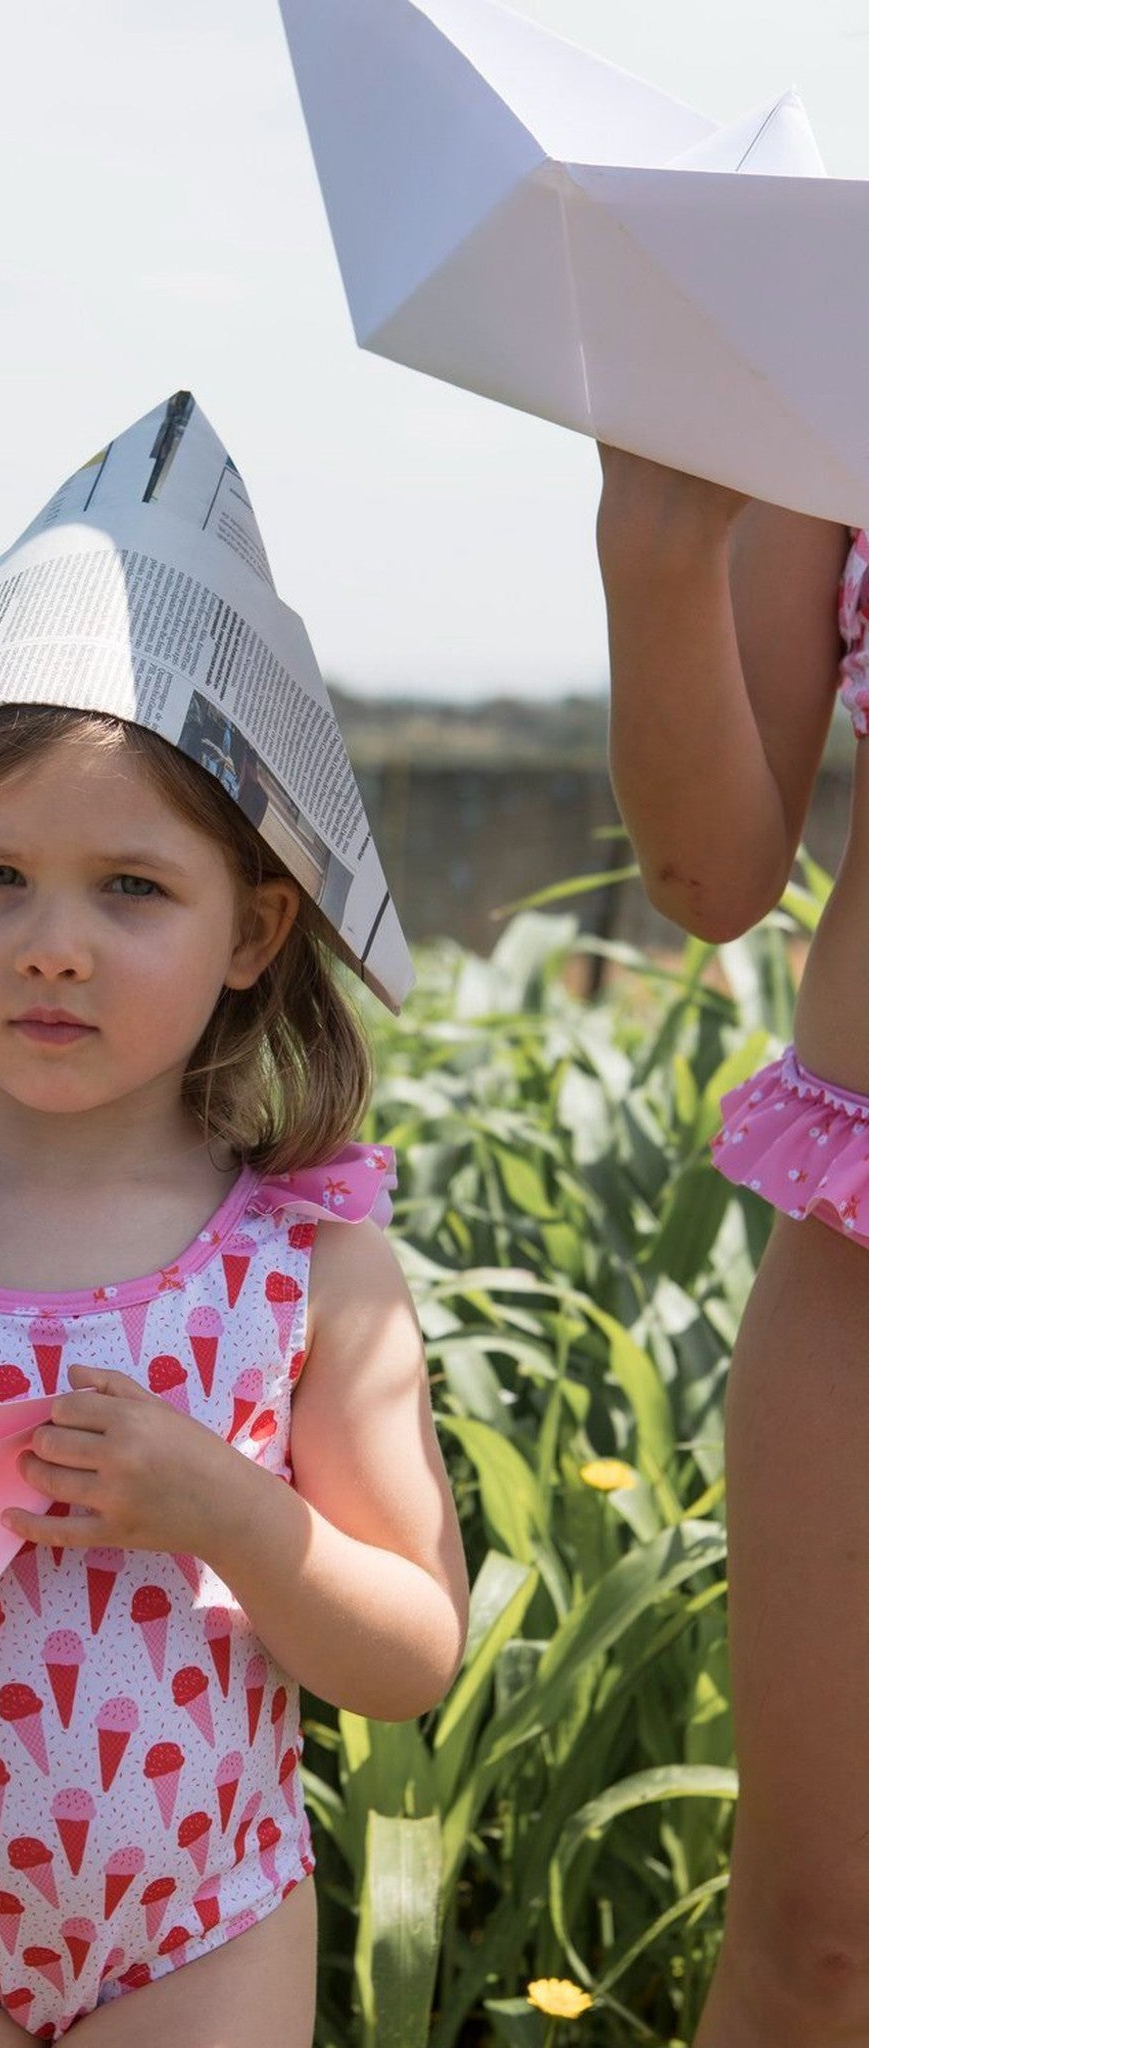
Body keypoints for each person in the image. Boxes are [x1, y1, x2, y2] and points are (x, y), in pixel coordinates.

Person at [0, 701, 469, 2046]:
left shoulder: (309, 1268)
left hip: (206, 1933)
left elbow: (414, 1652)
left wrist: (230, 1512)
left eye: (131, 888)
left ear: (251, 931)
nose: (53, 949)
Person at [596, 448, 868, 2046]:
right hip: (883, 1239)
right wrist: (655, 539)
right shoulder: (857, 322)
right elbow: (711, 879)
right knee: (821, 1943)